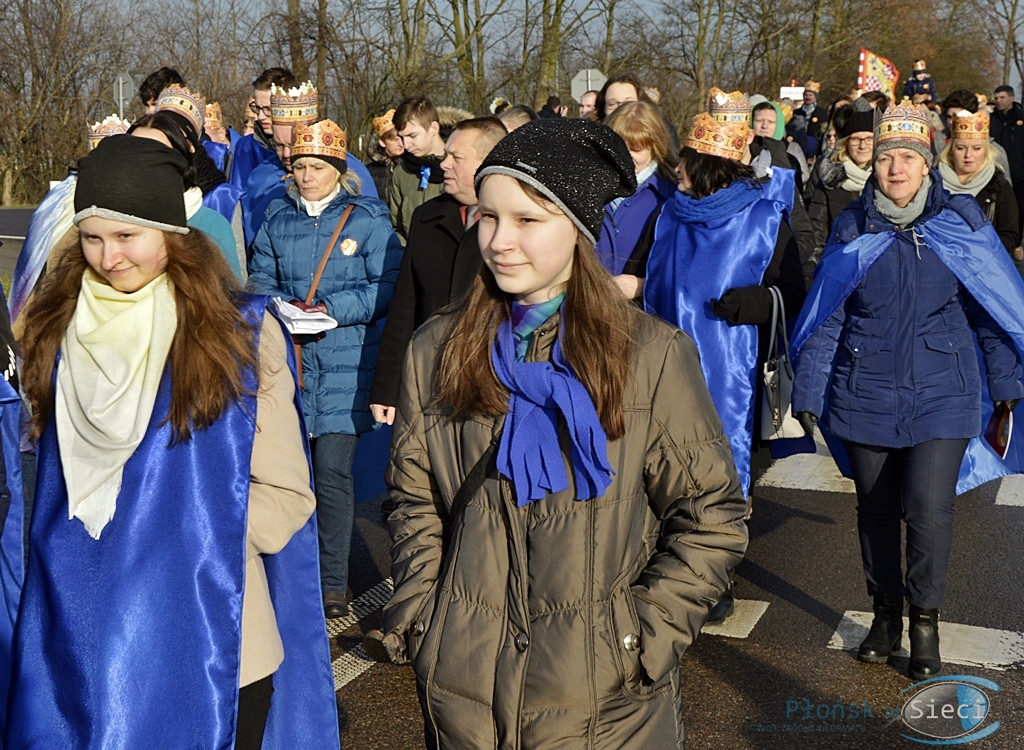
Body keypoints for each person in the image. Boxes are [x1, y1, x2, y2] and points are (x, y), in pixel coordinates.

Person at [376, 116, 747, 749]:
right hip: (467, 695)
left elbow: (711, 516)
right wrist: (424, 615)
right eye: (489, 217)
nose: (500, 242)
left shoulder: (650, 357)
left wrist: (638, 637)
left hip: (607, 707)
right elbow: (415, 501)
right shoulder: (434, 349)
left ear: (576, 231)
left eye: (528, 220)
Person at [3, 134, 338, 748]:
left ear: (170, 233)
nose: (109, 257)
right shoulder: (56, 329)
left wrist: (185, 539)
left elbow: (288, 494)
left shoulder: (236, 334)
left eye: (127, 236)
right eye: (93, 237)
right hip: (83, 642)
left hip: (213, 639)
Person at [791, 100, 1024, 681]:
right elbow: (828, 318)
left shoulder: (961, 222)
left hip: (945, 389)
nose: (897, 168)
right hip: (863, 389)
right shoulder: (852, 224)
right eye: (889, 156)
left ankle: (925, 622)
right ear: (876, 164)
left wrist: (1006, 386)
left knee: (927, 510)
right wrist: (809, 394)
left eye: (909, 158)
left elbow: (992, 309)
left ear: (928, 165)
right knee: (875, 511)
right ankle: (885, 615)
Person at [639, 97, 805, 620]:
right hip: (669, 367)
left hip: (737, 372)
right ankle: (676, 565)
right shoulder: (668, 215)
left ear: (706, 164)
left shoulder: (765, 217)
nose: (677, 169)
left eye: (684, 159)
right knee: (669, 471)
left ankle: (717, 575)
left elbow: (796, 294)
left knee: (722, 476)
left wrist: (760, 303)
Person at [248, 119, 402, 618]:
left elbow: (387, 289)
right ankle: (292, 575)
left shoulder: (369, 222)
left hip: (345, 363)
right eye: (299, 165)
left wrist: (332, 309)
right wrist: (279, 307)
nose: (306, 174)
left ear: (338, 169)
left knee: (333, 474)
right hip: (290, 365)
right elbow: (259, 280)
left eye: (316, 166)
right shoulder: (276, 218)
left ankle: (331, 583)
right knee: (290, 473)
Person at [369, 115, 507, 426]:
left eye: (456, 157)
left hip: (492, 389)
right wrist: (386, 387)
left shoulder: (512, 227)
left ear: (489, 162)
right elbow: (405, 307)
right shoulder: (427, 218)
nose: (444, 164)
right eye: (446, 155)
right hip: (427, 384)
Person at [595, 101, 676, 294]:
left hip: (642, 312)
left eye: (637, 149)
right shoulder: (589, 185)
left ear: (655, 147)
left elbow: (680, 270)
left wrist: (643, 285)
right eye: (620, 147)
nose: (626, 156)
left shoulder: (670, 197)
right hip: (588, 306)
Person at [935, 109, 1020, 254]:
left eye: (976, 148)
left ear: (986, 151)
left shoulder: (999, 186)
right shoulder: (933, 183)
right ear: (951, 151)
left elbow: (1010, 234)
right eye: (961, 148)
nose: (968, 155)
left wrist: (981, 255)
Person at [805, 104, 876, 257]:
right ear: (846, 143)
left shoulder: (887, 178)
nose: (863, 145)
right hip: (837, 259)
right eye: (856, 139)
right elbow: (817, 227)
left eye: (869, 139)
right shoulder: (830, 179)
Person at [389, 96, 448, 242]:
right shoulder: (401, 172)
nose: (406, 145)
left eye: (412, 136)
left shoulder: (458, 166)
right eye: (402, 137)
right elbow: (396, 226)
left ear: (434, 128)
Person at [990, 84, 1024, 233]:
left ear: (1012, 98)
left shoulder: (1021, 119)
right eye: (996, 98)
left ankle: (1016, 242)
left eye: (1002, 97)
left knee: (1019, 209)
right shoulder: (991, 121)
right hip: (996, 172)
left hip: (1019, 174)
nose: (999, 101)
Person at [366, 108, 403, 199]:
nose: (401, 144)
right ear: (383, 142)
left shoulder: (412, 165)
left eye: (402, 138)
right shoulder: (369, 172)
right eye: (395, 140)